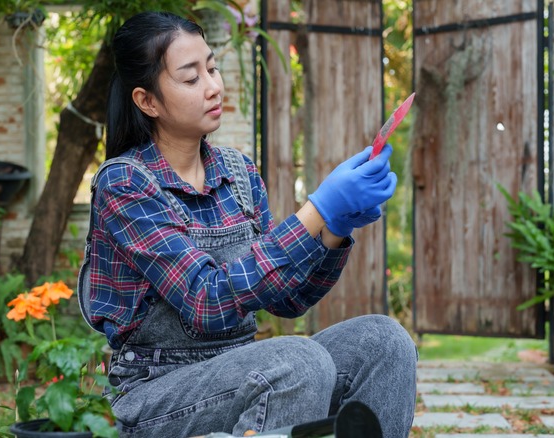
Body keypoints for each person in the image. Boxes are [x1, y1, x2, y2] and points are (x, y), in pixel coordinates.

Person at [76, 10, 417, 438]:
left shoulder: (238, 173)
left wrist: (334, 230)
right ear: (147, 101)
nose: (214, 86)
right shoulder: (125, 183)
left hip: (244, 370)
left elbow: (287, 301)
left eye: (212, 68)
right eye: (190, 78)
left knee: (384, 342)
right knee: (297, 361)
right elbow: (205, 301)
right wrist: (317, 208)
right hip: (155, 395)